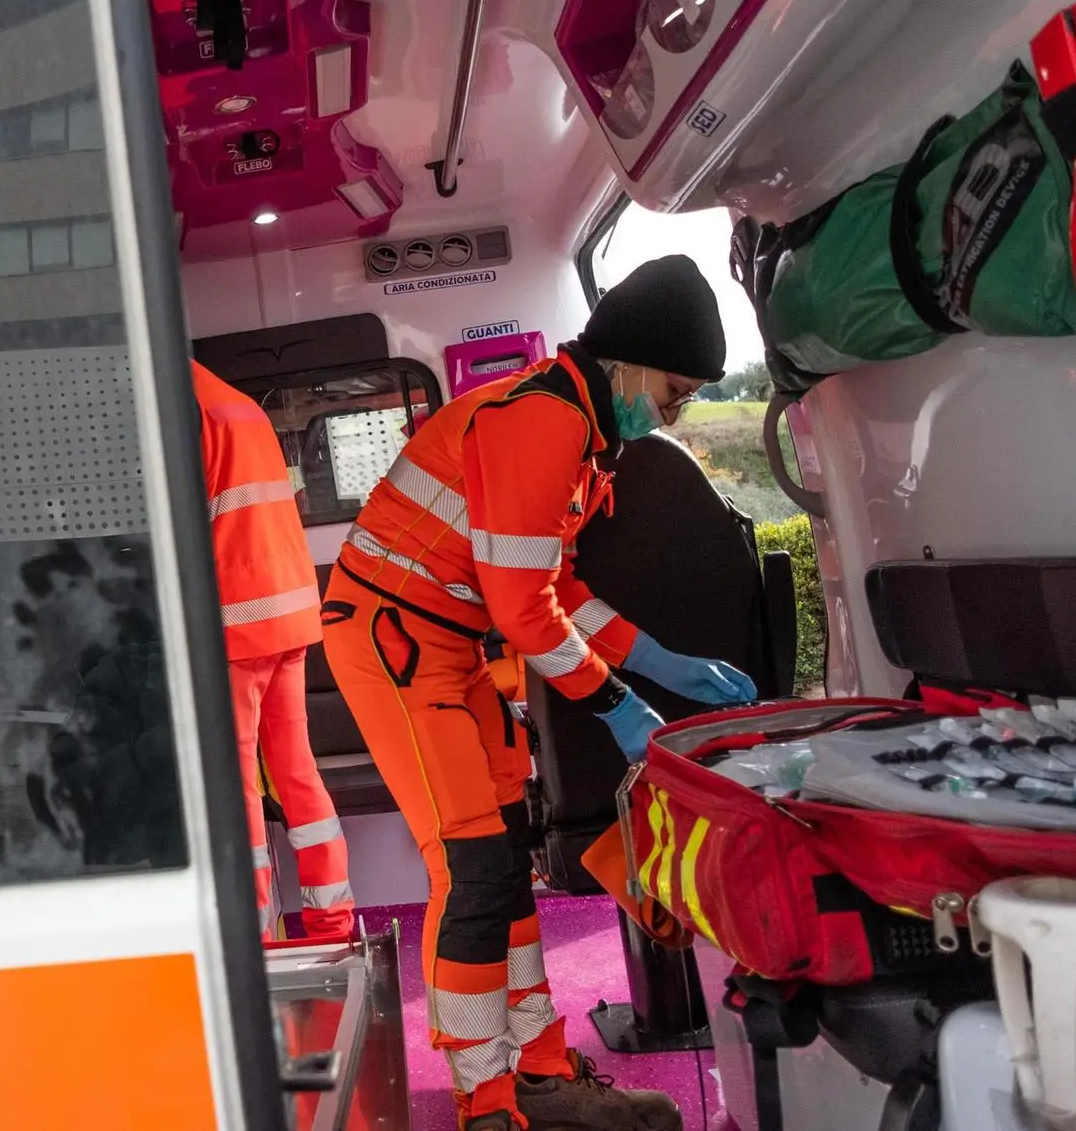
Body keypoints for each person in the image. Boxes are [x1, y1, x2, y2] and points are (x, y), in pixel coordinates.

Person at [320, 256, 757, 1131]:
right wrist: (618, 706)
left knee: (506, 857)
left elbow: (548, 585)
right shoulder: (542, 423)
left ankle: (539, 1071)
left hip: (445, 642)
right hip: (394, 641)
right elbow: (522, 609)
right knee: (472, 868)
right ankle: (485, 1101)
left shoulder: (584, 436)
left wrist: (659, 658)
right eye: (671, 391)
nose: (669, 413)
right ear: (629, 362)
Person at [192, 360, 356, 941]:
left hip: (234, 626)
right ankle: (332, 923)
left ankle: (257, 936)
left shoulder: (178, 411)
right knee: (296, 770)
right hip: (286, 616)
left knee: (234, 787)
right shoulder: (237, 403)